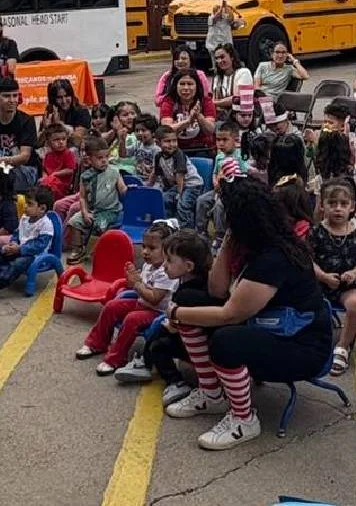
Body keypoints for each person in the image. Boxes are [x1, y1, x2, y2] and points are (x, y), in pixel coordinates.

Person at [162, 177, 333, 451]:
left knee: (225, 340)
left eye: (226, 212)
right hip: (268, 324)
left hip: (303, 346)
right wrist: (230, 238)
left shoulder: (275, 256)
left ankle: (244, 419)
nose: (218, 214)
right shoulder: (253, 242)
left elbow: (230, 314)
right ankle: (212, 393)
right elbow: (216, 290)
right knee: (190, 298)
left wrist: (177, 314)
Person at [77, 222, 180, 375]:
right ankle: (96, 343)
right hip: (141, 302)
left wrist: (136, 283)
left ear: (166, 251)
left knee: (132, 319)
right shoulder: (148, 265)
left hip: (157, 312)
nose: (145, 252)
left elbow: (155, 298)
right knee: (111, 306)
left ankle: (116, 358)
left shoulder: (166, 272)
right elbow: (139, 287)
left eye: (152, 248)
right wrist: (133, 278)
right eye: (144, 246)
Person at [132, 230, 215, 398]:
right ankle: (146, 362)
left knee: (159, 343)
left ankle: (175, 381)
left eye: (169, 261)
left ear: (189, 266)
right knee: (160, 328)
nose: (164, 265)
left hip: (201, 346)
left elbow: (175, 327)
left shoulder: (186, 294)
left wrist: (169, 324)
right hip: (205, 341)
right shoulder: (206, 282)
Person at [310, 177, 356, 375]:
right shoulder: (316, 232)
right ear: (322, 206)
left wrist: (354, 272)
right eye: (332, 203)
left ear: (352, 207)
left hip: (348, 285)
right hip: (319, 283)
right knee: (307, 302)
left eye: (343, 204)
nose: (338, 209)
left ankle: (343, 346)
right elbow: (306, 260)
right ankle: (313, 342)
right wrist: (322, 275)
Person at [0, 185, 56, 305]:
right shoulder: (25, 218)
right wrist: (12, 244)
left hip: (34, 256)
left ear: (42, 208)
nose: (25, 207)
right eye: (26, 203)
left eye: (29, 204)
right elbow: (17, 234)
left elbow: (39, 245)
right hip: (18, 249)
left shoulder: (46, 224)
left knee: (18, 263)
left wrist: (20, 249)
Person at [65, 136, 127, 264]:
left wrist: (130, 190)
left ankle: (95, 252)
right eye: (100, 158)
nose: (104, 161)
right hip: (92, 210)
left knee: (99, 226)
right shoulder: (85, 176)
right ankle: (78, 249)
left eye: (106, 157)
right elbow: (82, 197)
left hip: (109, 211)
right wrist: (84, 212)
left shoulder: (114, 172)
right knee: (73, 222)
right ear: (89, 159)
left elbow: (122, 190)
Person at [0, 77, 38, 191]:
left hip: (24, 169)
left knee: (5, 176)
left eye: (15, 95)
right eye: (7, 96)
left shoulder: (27, 121)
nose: (12, 100)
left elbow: (24, 157)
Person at [196, 121, 247, 249]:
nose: (221, 143)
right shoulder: (218, 157)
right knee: (201, 200)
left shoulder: (240, 157)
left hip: (232, 191)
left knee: (219, 206)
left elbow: (244, 176)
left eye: (225, 139)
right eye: (218, 140)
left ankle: (219, 236)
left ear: (235, 140)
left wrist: (227, 180)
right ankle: (201, 231)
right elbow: (214, 173)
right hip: (218, 189)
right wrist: (215, 181)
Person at [150, 126, 204, 229]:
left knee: (183, 205)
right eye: (167, 141)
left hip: (192, 185)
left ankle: (186, 230)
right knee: (164, 199)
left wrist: (179, 194)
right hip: (179, 185)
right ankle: (169, 226)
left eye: (174, 141)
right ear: (157, 143)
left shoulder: (178, 154)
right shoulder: (158, 157)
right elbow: (155, 174)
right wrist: (147, 187)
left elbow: (180, 175)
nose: (172, 144)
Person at [159, 68, 217, 155]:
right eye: (182, 84)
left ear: (197, 86)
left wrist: (199, 116)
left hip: (202, 148)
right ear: (176, 86)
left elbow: (210, 130)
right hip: (175, 149)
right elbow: (167, 131)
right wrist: (188, 121)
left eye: (190, 84)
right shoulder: (168, 102)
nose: (186, 88)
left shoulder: (205, 101)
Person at [43, 79, 92, 147]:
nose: (64, 101)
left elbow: (77, 141)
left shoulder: (82, 111)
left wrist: (60, 125)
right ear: (54, 99)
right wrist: (46, 129)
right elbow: (39, 143)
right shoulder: (50, 112)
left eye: (66, 96)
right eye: (59, 98)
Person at [37, 123, 78, 200]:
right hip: (49, 182)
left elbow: (70, 170)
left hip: (63, 186)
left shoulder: (68, 153)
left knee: (50, 186)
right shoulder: (48, 155)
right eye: (56, 140)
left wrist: (55, 174)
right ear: (48, 142)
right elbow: (44, 170)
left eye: (63, 139)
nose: (61, 142)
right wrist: (44, 178)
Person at [210, 43, 252, 112]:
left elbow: (237, 99)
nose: (219, 61)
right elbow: (214, 98)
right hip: (220, 116)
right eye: (217, 58)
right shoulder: (217, 77)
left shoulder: (244, 72)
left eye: (222, 57)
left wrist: (214, 103)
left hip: (240, 115)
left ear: (232, 57)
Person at [129, 115, 161, 184]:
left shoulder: (157, 149)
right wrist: (122, 140)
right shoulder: (137, 145)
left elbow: (156, 170)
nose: (139, 133)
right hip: (138, 178)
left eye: (143, 130)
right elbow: (123, 154)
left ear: (153, 133)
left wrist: (149, 183)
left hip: (153, 181)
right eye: (137, 130)